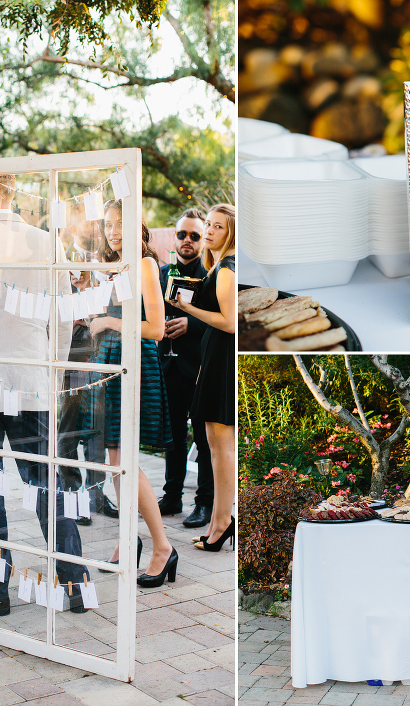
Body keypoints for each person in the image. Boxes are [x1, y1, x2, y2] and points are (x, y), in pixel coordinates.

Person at [0, 174, 85, 615]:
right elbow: (62, 318)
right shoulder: (46, 243)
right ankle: (75, 586)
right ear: (13, 190)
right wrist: (54, 371)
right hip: (32, 380)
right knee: (47, 483)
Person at [82, 198, 178, 587]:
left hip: (134, 365)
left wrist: (107, 319)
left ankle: (162, 547)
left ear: (138, 223)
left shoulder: (144, 264)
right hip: (109, 366)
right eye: (108, 224)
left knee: (125, 457)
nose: (114, 230)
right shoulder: (112, 266)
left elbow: (155, 328)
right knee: (113, 458)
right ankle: (128, 539)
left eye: (121, 222)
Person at [170, 204, 236, 552]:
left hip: (224, 360)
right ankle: (217, 521)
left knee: (222, 448)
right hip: (213, 360)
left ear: (231, 232)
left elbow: (229, 322)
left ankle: (223, 522)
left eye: (217, 227)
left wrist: (187, 308)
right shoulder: (220, 265)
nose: (209, 232)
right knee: (213, 445)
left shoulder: (227, 268)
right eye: (208, 225)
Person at [57, 217, 118, 521]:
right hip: (73, 348)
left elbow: (112, 307)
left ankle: (96, 497)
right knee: (69, 427)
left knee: (97, 428)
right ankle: (71, 496)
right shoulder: (61, 258)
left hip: (102, 347)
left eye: (99, 226)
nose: (94, 230)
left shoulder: (110, 262)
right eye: (87, 224)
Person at [157, 208, 214, 529]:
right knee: (173, 438)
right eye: (182, 234)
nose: (188, 240)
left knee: (203, 440)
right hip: (166, 367)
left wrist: (190, 323)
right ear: (175, 238)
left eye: (194, 235)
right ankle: (172, 496)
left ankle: (204, 503)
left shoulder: (211, 277)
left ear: (202, 239)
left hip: (200, 369)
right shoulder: (161, 274)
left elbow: (223, 324)